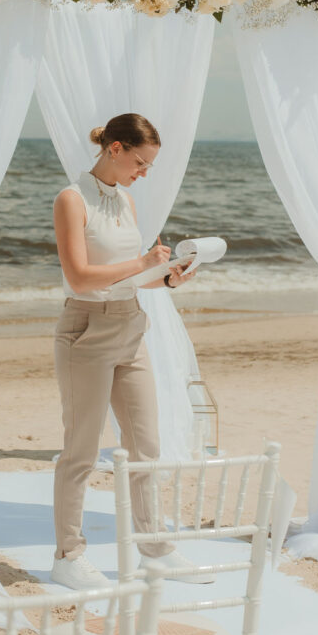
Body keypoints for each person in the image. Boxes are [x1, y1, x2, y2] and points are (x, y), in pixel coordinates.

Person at [51, 112, 208, 590]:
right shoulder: (71, 200)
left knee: (146, 446)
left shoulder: (127, 203)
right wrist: (142, 261)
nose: (143, 173)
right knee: (81, 451)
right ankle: (68, 555)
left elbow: (128, 276)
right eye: (140, 162)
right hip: (86, 330)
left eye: (149, 167)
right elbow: (79, 277)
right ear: (114, 148)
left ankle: (155, 551)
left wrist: (166, 278)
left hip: (131, 325)